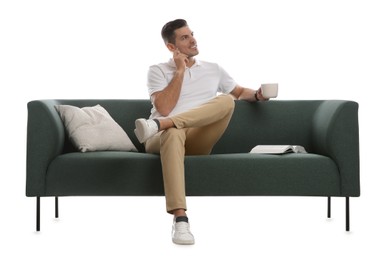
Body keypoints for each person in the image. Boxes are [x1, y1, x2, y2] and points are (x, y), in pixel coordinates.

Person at [134, 19, 269, 245]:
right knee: (174, 133)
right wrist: (179, 71)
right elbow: (164, 108)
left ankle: (162, 124)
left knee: (226, 100)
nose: (193, 39)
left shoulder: (213, 69)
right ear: (171, 47)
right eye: (184, 37)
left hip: (193, 137)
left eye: (192, 34)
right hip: (160, 139)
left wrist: (257, 95)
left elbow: (238, 92)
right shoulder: (157, 70)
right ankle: (180, 221)